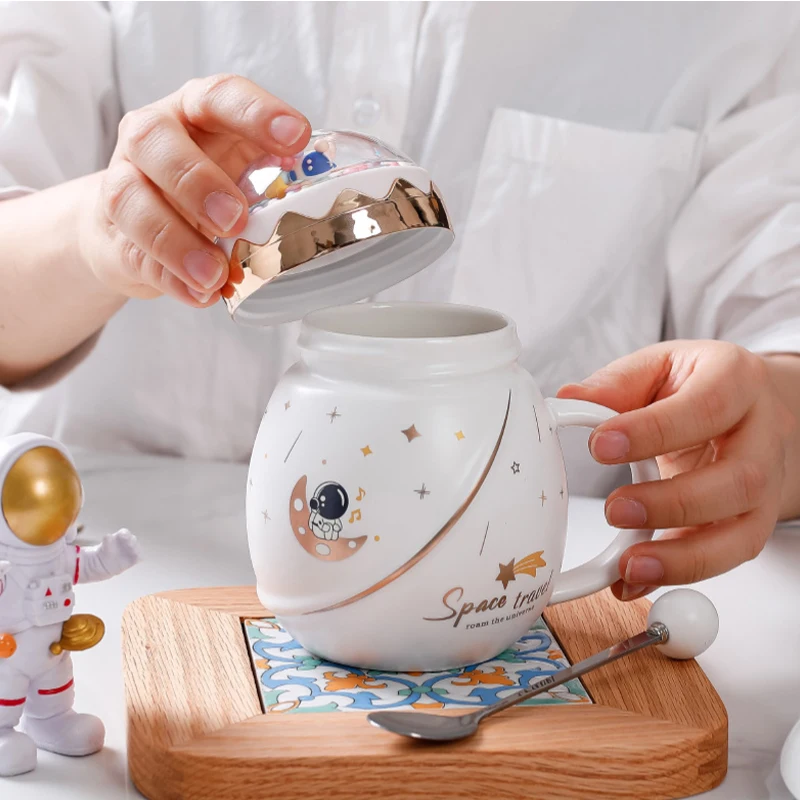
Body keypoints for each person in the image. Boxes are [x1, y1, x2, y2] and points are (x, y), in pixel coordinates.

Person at [0, 2, 798, 603]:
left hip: (496, 595)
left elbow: (779, 326)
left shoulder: (735, 21)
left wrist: (766, 414)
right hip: (112, 582)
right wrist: (96, 229)